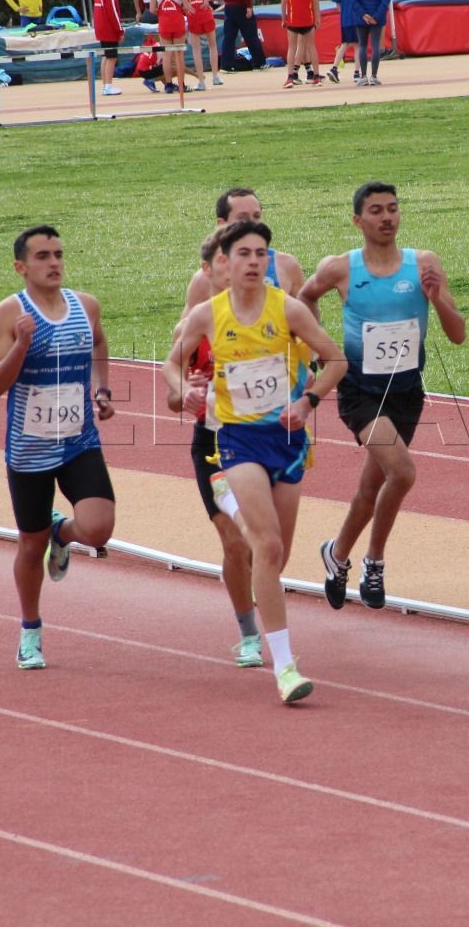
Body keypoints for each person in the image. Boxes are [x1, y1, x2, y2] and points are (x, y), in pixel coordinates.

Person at [169, 220, 347, 704]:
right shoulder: (208, 314)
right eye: (243, 253)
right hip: (238, 441)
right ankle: (285, 668)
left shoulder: (287, 308)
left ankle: (231, 506)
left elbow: (336, 361)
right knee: (265, 548)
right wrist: (186, 390)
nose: (253, 261)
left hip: (287, 441)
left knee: (275, 556)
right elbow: (171, 363)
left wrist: (307, 401)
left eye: (260, 253)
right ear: (224, 262)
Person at [301, 182, 465, 610]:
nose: (387, 217)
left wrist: (437, 299)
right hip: (359, 391)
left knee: (370, 489)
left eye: (393, 208)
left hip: (406, 391)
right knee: (402, 473)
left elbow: (458, 334)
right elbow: (304, 300)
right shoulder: (339, 268)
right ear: (358, 220)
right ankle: (374, 562)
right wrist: (319, 352)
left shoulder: (424, 264)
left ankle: (336, 554)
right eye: (376, 210)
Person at [0, 224, 116, 671]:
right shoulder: (11, 312)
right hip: (29, 451)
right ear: (21, 267)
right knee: (29, 545)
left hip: (79, 441)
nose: (54, 263)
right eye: (42, 256)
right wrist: (21, 344)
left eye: (58, 254)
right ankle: (30, 631)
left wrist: (102, 389)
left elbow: (99, 341)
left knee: (99, 529)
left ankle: (63, 533)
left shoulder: (86, 306)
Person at [163, 233, 265, 669]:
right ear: (208, 269)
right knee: (235, 541)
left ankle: (263, 599)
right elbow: (172, 396)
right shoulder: (196, 325)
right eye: (225, 259)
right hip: (214, 444)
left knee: (263, 542)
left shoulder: (271, 314)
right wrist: (186, 392)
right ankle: (249, 634)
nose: (234, 266)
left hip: (261, 440)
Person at [182, 188, 305, 313]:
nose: (252, 223)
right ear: (221, 224)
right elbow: (186, 324)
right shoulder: (205, 279)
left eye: (256, 216)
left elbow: (306, 317)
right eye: (242, 218)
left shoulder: (286, 266)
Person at [342, 0, 393, 86]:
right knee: (376, 45)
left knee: (362, 45)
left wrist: (362, 14)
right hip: (377, 17)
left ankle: (363, 76)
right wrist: (377, 15)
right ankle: (374, 76)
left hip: (361, 18)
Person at [280, 0, 321, 88]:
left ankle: (290, 77)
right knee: (311, 47)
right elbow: (315, 1)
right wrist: (317, 18)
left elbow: (283, 2)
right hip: (307, 19)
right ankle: (316, 77)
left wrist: (283, 18)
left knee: (292, 47)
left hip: (293, 20)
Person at [150, 0, 189, 95]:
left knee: (167, 55)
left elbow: (152, 10)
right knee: (179, 54)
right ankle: (181, 84)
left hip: (164, 23)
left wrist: (162, 13)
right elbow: (186, 6)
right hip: (177, 21)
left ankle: (168, 85)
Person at [183, 0, 220, 90]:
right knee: (213, 45)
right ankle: (215, 77)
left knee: (196, 50)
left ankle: (201, 82)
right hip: (205, 12)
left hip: (193, 14)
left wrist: (186, 5)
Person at [91, 0, 124, 96]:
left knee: (106, 56)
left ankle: (105, 84)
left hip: (101, 30)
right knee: (112, 58)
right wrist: (120, 31)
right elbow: (113, 13)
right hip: (109, 31)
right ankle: (108, 86)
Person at [330, 0, 362, 83]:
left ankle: (334, 68)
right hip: (358, 18)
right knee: (358, 45)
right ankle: (356, 73)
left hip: (345, 19)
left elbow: (337, 4)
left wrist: (344, 13)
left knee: (345, 44)